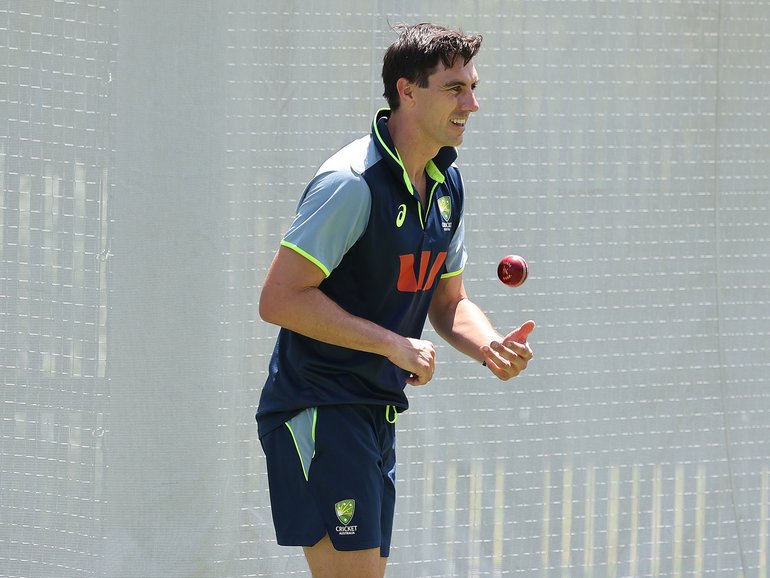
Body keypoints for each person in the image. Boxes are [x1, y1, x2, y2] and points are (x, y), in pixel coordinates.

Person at [256, 22, 535, 578]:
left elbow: (449, 300)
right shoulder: (352, 182)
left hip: (373, 412)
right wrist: (392, 345)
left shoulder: (446, 186)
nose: (472, 103)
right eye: (455, 88)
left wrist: (489, 346)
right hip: (321, 407)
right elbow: (280, 299)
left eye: (473, 87)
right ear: (407, 91)